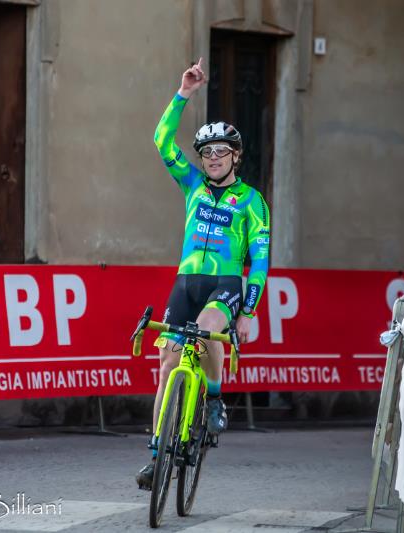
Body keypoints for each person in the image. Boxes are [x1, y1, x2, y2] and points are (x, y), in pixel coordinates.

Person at [136, 58, 271, 490]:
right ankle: (157, 455)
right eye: (207, 152)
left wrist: (248, 311)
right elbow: (161, 141)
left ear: (236, 156)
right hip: (186, 282)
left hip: (226, 285)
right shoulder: (192, 184)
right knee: (166, 362)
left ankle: (214, 398)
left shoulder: (251, 201)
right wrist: (183, 93)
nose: (213, 159)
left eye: (221, 152)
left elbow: (261, 260)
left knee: (210, 329)